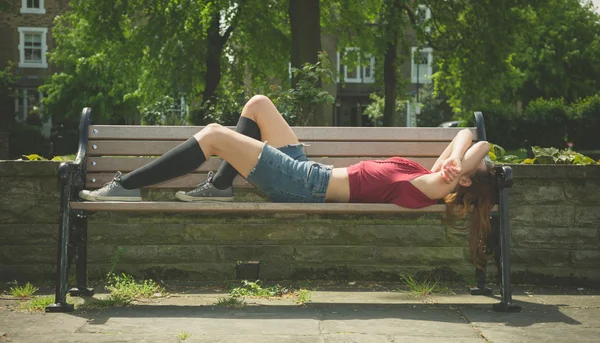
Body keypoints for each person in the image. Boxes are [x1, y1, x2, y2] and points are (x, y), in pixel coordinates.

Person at [80, 95, 496, 268]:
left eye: (460, 174)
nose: (452, 167)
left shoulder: (431, 189)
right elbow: (469, 136)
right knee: (258, 104)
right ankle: (223, 186)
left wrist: (459, 171)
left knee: (213, 134)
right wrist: (457, 159)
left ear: (461, 187)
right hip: (309, 170)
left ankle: (129, 186)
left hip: (303, 184)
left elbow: (485, 145)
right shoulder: (437, 173)